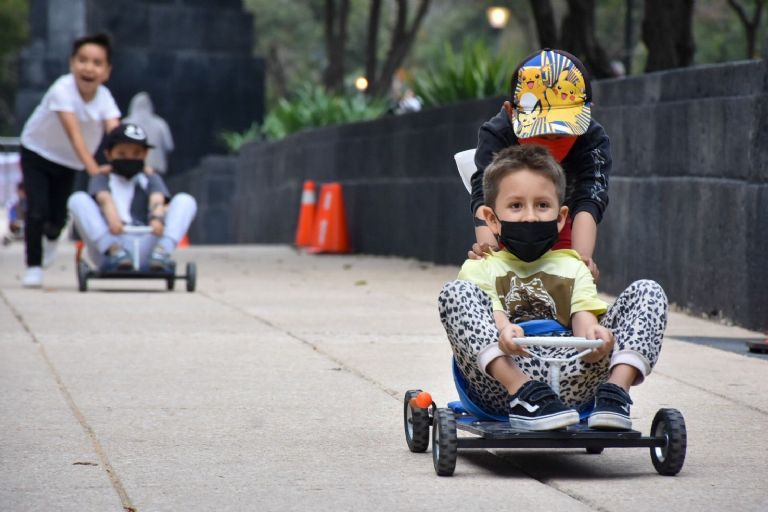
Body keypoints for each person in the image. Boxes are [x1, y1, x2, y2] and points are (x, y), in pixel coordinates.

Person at [439, 145, 667, 431]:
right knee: (455, 292)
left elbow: (583, 318)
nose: (531, 217)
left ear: (560, 218)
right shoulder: (482, 266)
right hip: (500, 386)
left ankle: (615, 394)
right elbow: (494, 316)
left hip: (572, 381)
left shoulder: (572, 266)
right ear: (492, 219)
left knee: (648, 291)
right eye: (516, 206)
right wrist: (503, 331)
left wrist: (595, 342)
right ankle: (524, 393)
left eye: (542, 205)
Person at [470, 49, 611, 282]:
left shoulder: (592, 139)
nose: (552, 144)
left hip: (564, 217)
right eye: (541, 133)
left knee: (566, 278)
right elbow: (483, 194)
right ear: (511, 113)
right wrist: (488, 251)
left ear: (585, 113)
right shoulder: (497, 133)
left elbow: (591, 196)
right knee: (501, 277)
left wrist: (581, 262)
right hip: (509, 218)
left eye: (563, 133)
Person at [19, 33, 121, 287]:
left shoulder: (105, 98)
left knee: (58, 217)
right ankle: (33, 266)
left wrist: (130, 164)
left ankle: (52, 237)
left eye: (97, 63)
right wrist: (96, 171)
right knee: (37, 210)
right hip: (37, 152)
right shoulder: (62, 90)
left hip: (69, 163)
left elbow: (116, 135)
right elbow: (75, 136)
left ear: (107, 71)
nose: (88, 68)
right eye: (82, 60)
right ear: (71, 63)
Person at [67, 123, 196, 272]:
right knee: (77, 199)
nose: (129, 159)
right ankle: (115, 252)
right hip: (111, 243)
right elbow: (104, 198)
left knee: (185, 200)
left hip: (148, 244)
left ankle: (162, 252)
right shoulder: (102, 177)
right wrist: (112, 218)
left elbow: (157, 198)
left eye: (136, 154)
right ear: (109, 154)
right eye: (122, 154)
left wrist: (156, 218)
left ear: (145, 155)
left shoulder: (150, 177)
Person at [123, 91, 174, 174]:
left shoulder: (125, 124)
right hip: (156, 168)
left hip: (132, 168)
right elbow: (169, 146)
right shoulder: (160, 123)